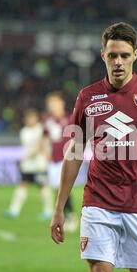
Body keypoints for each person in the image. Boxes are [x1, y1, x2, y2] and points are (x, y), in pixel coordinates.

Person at [50, 22, 137, 272]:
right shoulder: (87, 96)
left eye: (123, 55)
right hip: (99, 202)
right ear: (103, 56)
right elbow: (74, 152)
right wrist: (59, 207)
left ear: (135, 55)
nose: (118, 62)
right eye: (112, 56)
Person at [4, 108, 51, 219]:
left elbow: (42, 145)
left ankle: (48, 211)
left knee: (43, 186)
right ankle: (14, 210)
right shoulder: (24, 132)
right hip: (28, 165)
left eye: (33, 118)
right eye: (29, 118)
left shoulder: (41, 129)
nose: (31, 120)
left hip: (39, 164)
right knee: (22, 185)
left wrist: (27, 156)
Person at [42, 91, 78, 231]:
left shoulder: (69, 119)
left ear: (61, 103)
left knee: (63, 189)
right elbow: (45, 137)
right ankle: (66, 215)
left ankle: (71, 216)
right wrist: (45, 151)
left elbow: (77, 137)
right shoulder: (48, 121)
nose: (52, 106)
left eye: (55, 102)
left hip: (65, 159)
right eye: (50, 103)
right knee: (58, 190)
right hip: (53, 160)